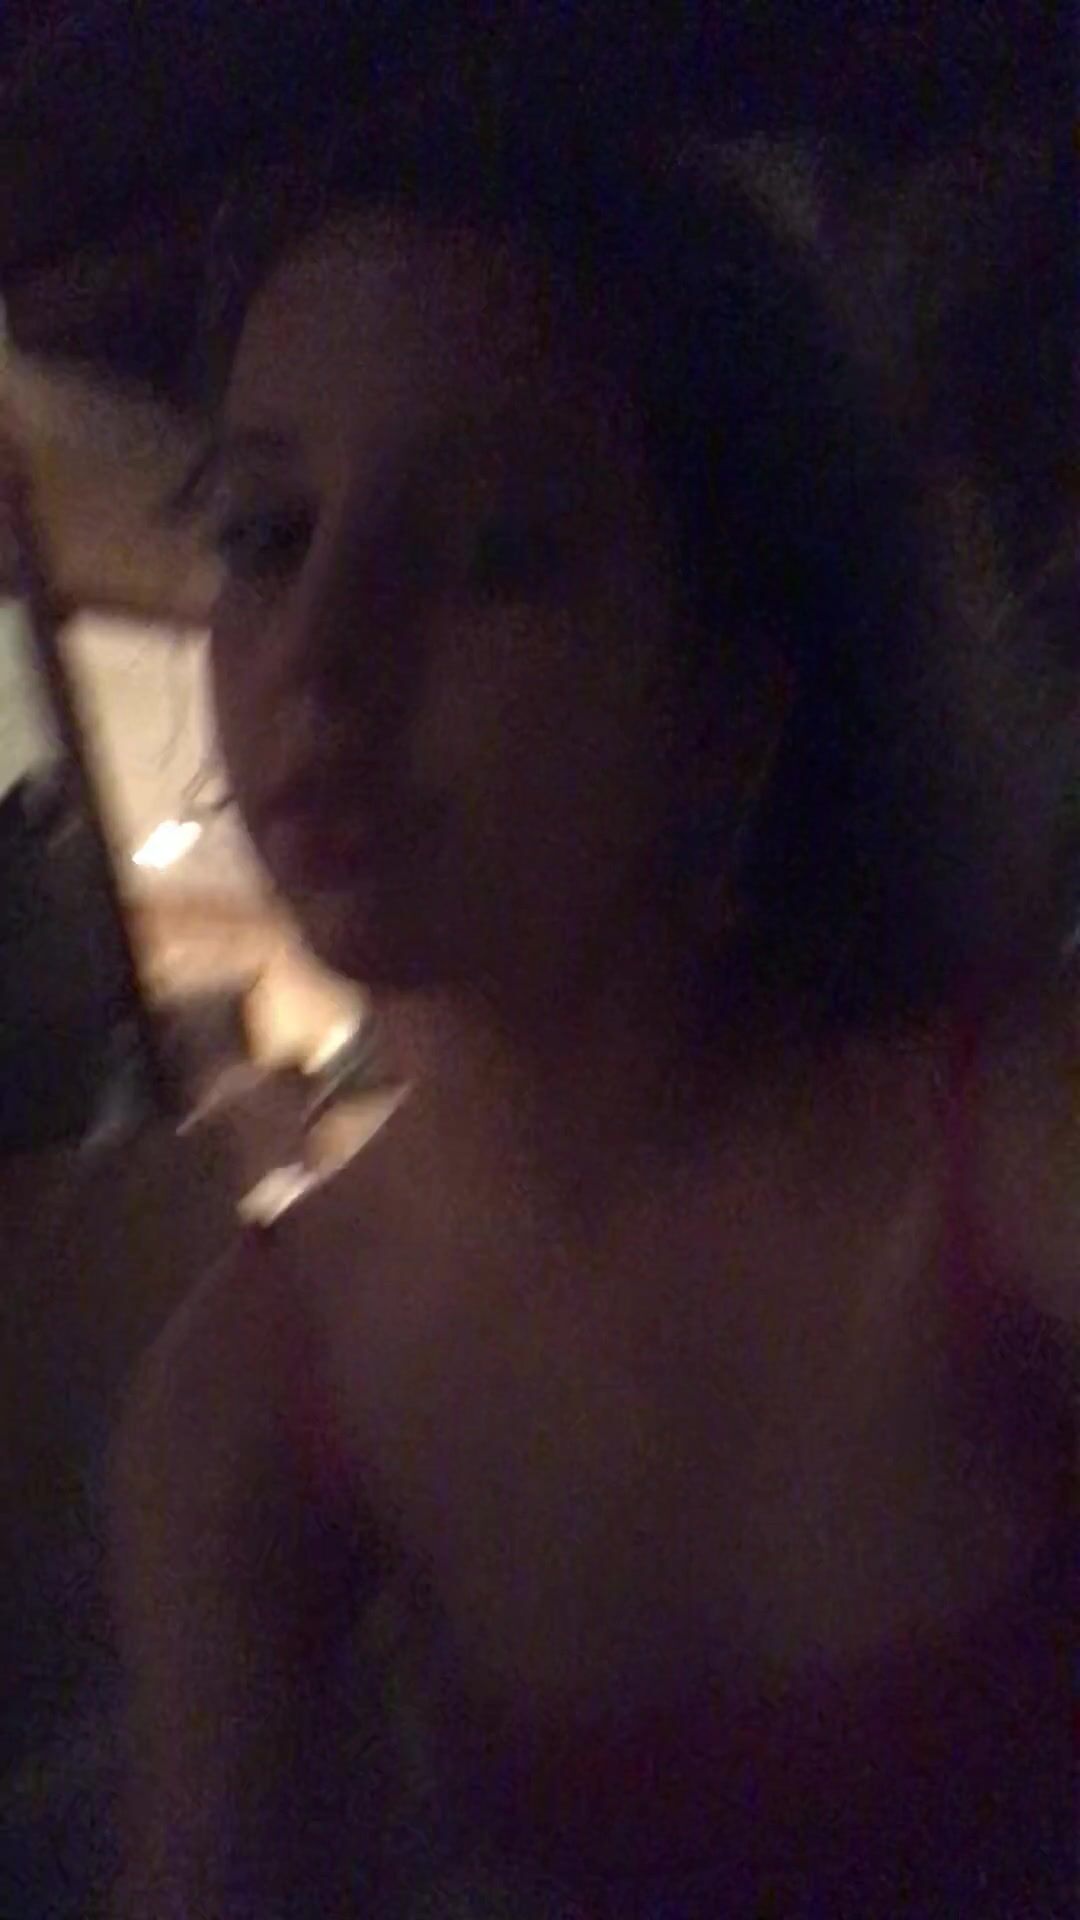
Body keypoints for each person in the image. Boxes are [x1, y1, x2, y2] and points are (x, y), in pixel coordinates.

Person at [111, 101, 1076, 1919]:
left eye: (496, 552)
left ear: (727, 700)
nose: (315, 655)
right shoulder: (243, 1402)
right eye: (263, 530)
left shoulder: (1010, 1144)